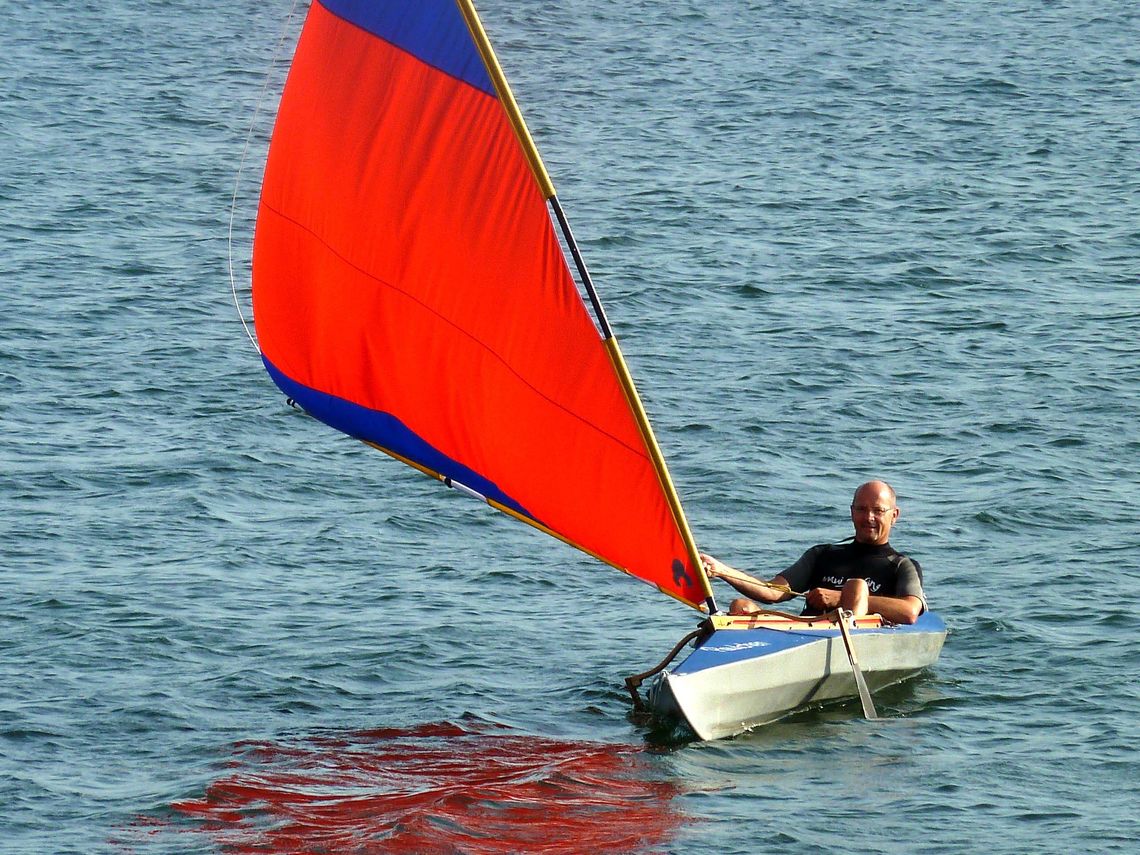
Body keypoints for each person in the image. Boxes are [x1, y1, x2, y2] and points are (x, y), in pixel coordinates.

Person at [700, 480, 926, 624]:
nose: (869, 518)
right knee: (741, 607)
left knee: (856, 587)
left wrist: (841, 597)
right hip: (806, 637)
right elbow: (772, 592)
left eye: (878, 511)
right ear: (851, 512)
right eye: (862, 509)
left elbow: (909, 612)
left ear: (894, 515)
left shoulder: (901, 565)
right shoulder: (822, 554)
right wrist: (720, 570)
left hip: (854, 643)